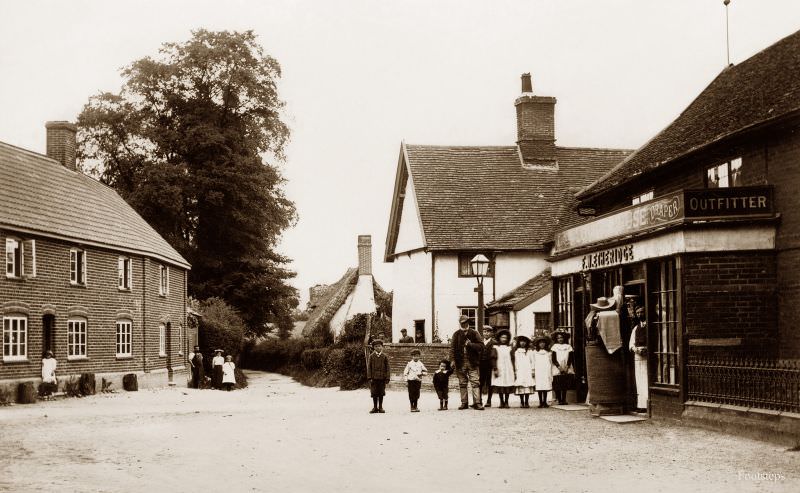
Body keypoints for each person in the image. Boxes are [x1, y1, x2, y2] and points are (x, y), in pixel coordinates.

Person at [449, 315, 484, 410]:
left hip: (472, 362)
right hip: (460, 362)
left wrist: (470, 344)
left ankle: (477, 402)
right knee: (462, 383)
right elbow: (452, 349)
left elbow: (481, 346)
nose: (464, 324)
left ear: (468, 322)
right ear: (460, 323)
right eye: (462, 323)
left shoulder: (475, 333)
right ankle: (464, 403)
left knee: (475, 382)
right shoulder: (456, 334)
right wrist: (452, 360)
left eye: (466, 322)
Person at [629, 306, 649, 413]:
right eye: (638, 313)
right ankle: (641, 405)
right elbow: (631, 344)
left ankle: (647, 404)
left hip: (647, 357)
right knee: (639, 380)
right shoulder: (635, 328)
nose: (640, 314)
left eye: (641, 312)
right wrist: (636, 350)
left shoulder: (650, 327)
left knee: (646, 379)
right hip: (638, 357)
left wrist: (646, 349)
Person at [491, 329, 515, 408]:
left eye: (505, 338)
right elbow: (493, 358)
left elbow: (512, 358)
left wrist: (514, 369)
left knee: (507, 384)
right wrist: (495, 369)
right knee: (500, 384)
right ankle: (501, 402)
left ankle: (507, 402)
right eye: (502, 337)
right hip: (499, 367)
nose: (504, 339)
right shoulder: (496, 347)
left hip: (508, 368)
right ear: (499, 338)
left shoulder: (510, 348)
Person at [551, 330, 575, 405]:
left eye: (561, 338)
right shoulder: (554, 347)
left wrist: (567, 367)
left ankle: (564, 399)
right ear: (556, 339)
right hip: (557, 367)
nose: (560, 339)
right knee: (557, 383)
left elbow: (571, 358)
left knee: (564, 383)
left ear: (564, 338)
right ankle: (559, 399)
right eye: (558, 338)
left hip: (566, 366)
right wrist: (559, 367)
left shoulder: (568, 347)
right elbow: (553, 359)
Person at [367, 339, 390, 414]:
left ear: (382, 347)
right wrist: (369, 377)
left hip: (382, 378)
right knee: (374, 393)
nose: (378, 348)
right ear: (373, 347)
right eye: (376, 346)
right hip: (374, 378)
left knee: (381, 393)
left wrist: (387, 377)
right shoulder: (371, 356)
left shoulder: (384, 356)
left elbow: (388, 368)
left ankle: (380, 407)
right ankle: (375, 407)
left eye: (379, 346)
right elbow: (369, 367)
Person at [513, 335, 535, 408]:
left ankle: (527, 402)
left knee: (527, 385)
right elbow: (515, 362)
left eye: (524, 342)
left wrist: (532, 370)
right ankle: (522, 402)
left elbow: (532, 361)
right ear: (519, 343)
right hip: (520, 370)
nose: (523, 343)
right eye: (521, 342)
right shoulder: (516, 351)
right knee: (521, 385)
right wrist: (515, 371)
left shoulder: (529, 351)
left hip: (528, 370)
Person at [532, 335, 554, 408]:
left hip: (546, 370)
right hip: (538, 370)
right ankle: (540, 402)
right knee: (539, 386)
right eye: (540, 343)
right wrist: (533, 370)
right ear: (538, 344)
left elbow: (551, 362)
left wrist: (551, 371)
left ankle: (545, 401)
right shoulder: (535, 352)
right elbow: (533, 362)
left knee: (545, 386)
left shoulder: (549, 353)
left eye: (543, 343)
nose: (542, 344)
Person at [479, 325, 496, 407]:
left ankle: (489, 400)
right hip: (481, 365)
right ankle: (479, 400)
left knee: (490, 383)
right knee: (480, 382)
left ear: (491, 333)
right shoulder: (480, 342)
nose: (486, 333)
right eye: (484, 331)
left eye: (488, 332)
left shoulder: (494, 342)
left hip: (490, 365)